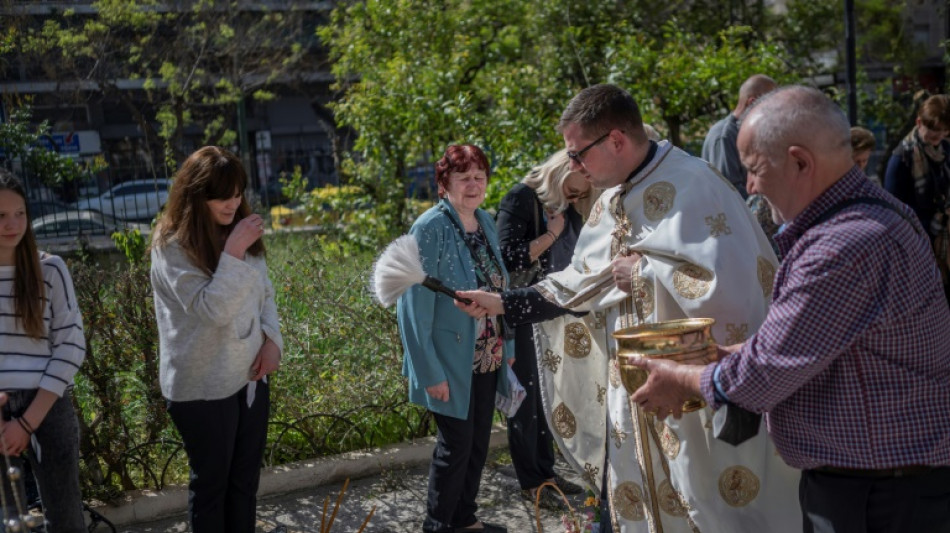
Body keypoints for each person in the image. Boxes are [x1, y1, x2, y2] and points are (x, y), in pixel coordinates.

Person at [456, 84, 799, 533]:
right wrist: (501, 303)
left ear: (615, 140)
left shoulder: (695, 184)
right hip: (636, 388)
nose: (573, 166)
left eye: (579, 154)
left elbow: (735, 292)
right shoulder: (614, 199)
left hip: (693, 392)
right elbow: (584, 283)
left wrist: (643, 275)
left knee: (702, 502)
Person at [630, 85, 950, 533]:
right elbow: (818, 345)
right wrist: (729, 355)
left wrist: (679, 379)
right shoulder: (872, 216)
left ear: (800, 162)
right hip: (885, 483)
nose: (751, 187)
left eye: (755, 170)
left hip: (876, 495)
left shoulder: (844, 245)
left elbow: (760, 380)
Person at [150, 146, 283, 533]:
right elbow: (214, 311)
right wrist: (235, 249)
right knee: (212, 488)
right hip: (201, 386)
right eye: (222, 195)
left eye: (238, 193)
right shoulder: (171, 245)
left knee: (244, 486)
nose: (233, 203)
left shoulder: (237, 228)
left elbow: (264, 293)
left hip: (249, 378)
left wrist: (272, 340)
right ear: (195, 194)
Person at [397, 144, 515, 533]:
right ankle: (438, 524)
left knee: (478, 444)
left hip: (487, 354)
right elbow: (411, 308)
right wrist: (428, 371)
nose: (473, 185)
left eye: (480, 176)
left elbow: (503, 290)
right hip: (448, 361)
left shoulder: (485, 220)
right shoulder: (429, 228)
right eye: (463, 177)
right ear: (443, 183)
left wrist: (508, 347)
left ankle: (465, 518)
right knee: (455, 448)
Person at [495, 150, 591, 507]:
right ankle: (532, 483)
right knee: (526, 400)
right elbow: (507, 257)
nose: (578, 197)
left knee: (546, 396)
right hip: (521, 312)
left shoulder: (566, 205)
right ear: (562, 173)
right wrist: (550, 236)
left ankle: (546, 474)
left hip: (550, 311)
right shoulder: (520, 197)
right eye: (576, 190)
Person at [0, 169, 87, 532]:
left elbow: (71, 345)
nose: (12, 223)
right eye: (1, 215)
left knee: (66, 520)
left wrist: (26, 423)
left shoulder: (49, 269)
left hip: (47, 405)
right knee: (8, 521)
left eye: (20, 213)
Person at [884, 94, 950, 301]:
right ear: (919, 122)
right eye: (933, 132)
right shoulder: (902, 158)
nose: (938, 138)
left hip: (945, 237)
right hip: (919, 242)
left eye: (944, 132)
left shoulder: (946, 150)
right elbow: (893, 211)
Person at [702, 74, 778, 199]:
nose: (774, 113)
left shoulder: (747, 131)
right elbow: (729, 191)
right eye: (771, 106)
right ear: (753, 102)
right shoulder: (725, 136)